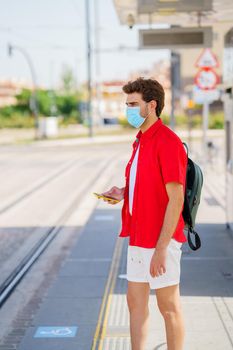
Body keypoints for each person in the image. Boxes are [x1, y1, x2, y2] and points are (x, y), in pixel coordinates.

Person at [102, 77, 187, 350]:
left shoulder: (168, 142)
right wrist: (124, 193)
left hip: (161, 240)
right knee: (134, 303)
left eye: (132, 104)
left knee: (168, 306)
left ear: (151, 105)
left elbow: (176, 198)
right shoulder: (140, 141)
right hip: (138, 237)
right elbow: (148, 183)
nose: (127, 110)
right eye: (126, 104)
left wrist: (162, 248)